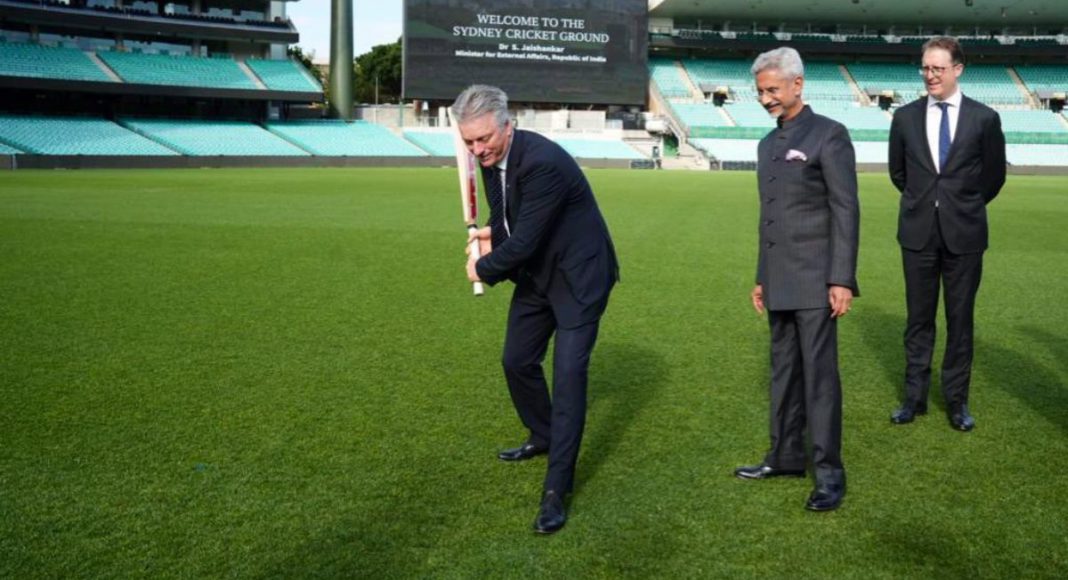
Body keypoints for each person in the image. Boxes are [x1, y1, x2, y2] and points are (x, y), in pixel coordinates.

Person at [454, 85, 619, 534]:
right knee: (517, 360)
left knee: (568, 379)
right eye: (469, 142)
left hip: (580, 278)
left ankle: (555, 490)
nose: (477, 149)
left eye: (484, 139)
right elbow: (511, 223)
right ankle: (543, 434)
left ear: (507, 126)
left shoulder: (543, 162)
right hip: (539, 274)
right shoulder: (490, 161)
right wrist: (491, 234)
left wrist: (481, 269)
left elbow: (525, 241)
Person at [734, 47, 860, 512]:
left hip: (817, 280)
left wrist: (841, 278)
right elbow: (770, 220)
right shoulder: (767, 144)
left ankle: (829, 475)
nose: (765, 98)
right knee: (783, 373)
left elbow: (846, 210)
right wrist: (761, 278)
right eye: (761, 91)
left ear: (797, 84)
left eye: (772, 89)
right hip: (780, 280)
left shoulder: (830, 134)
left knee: (820, 380)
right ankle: (784, 456)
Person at [887, 37, 1006, 431]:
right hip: (917, 234)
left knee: (960, 321)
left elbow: (993, 177)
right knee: (918, 321)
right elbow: (898, 174)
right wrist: (928, 203)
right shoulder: (904, 117)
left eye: (938, 68)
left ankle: (957, 403)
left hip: (965, 235)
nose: (930, 75)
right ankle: (913, 399)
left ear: (958, 69)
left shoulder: (984, 118)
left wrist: (960, 206)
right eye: (925, 67)